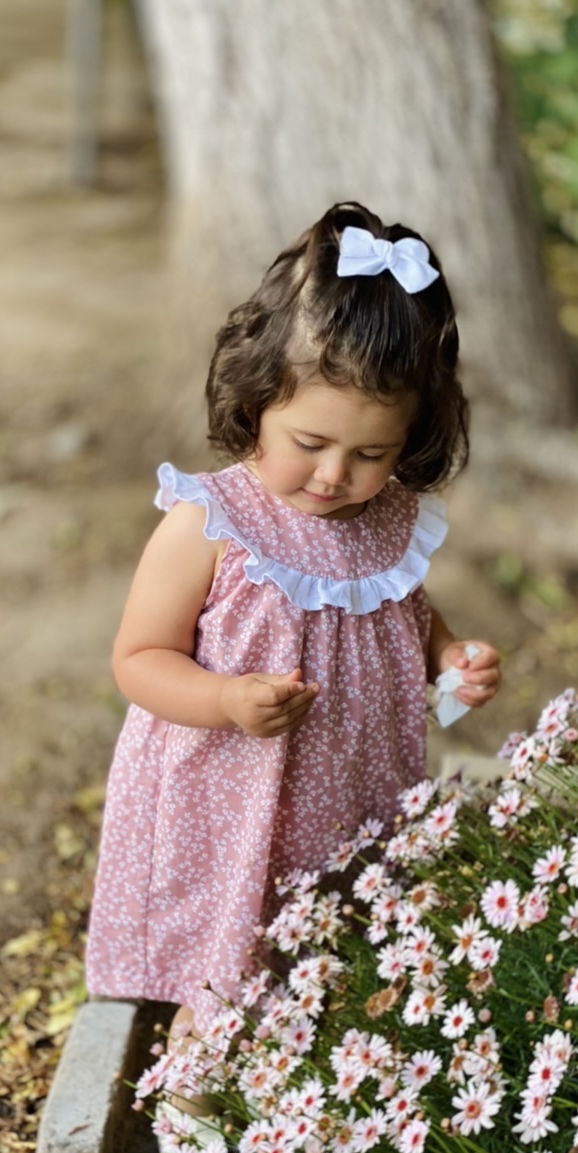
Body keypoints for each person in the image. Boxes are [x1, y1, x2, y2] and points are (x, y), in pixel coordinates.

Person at [85, 201, 501, 1048]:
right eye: (309, 440)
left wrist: (451, 659)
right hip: (231, 799)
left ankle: (318, 1085)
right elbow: (138, 659)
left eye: (372, 454)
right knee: (228, 965)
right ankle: (199, 1120)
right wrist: (227, 697)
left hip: (352, 787)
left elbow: (401, 610)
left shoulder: (390, 520)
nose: (335, 474)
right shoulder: (210, 524)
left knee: (334, 948)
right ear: (256, 399)